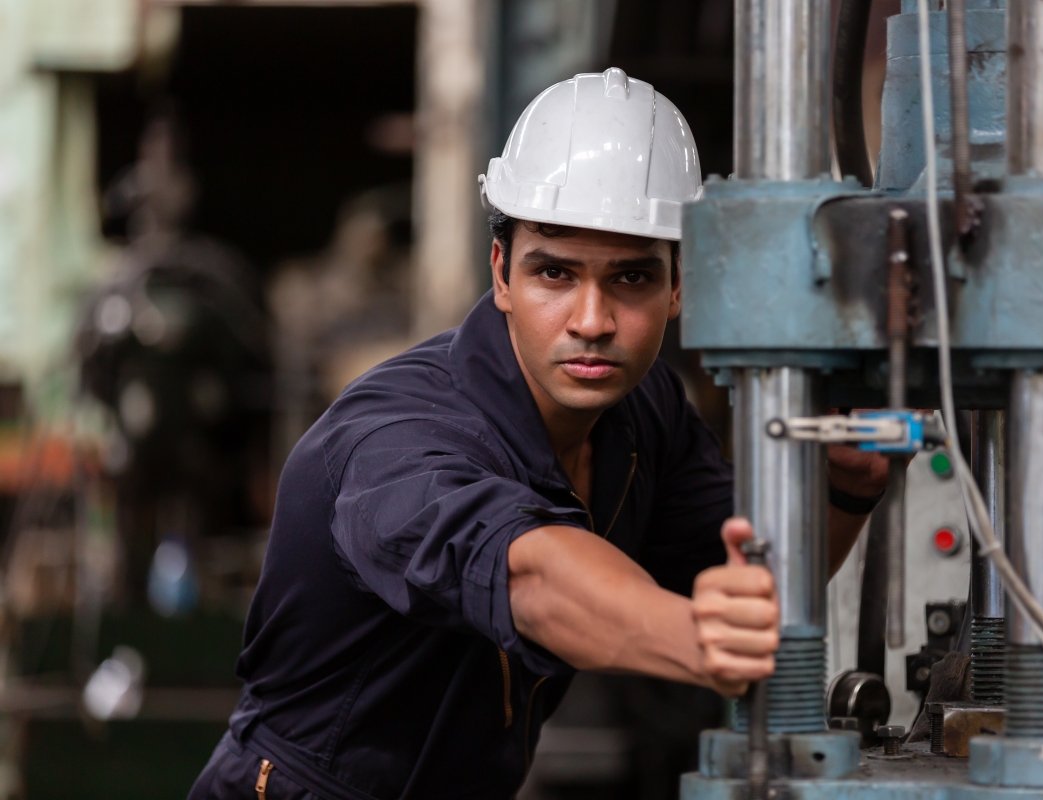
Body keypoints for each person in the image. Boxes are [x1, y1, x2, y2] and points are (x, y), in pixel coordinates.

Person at [188, 68, 887, 800]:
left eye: (631, 279)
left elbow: (742, 595)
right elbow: (530, 574)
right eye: (555, 273)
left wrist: (843, 489)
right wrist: (696, 642)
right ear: (501, 272)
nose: (592, 320)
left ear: (682, 283)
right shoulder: (393, 440)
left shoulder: (646, 414)